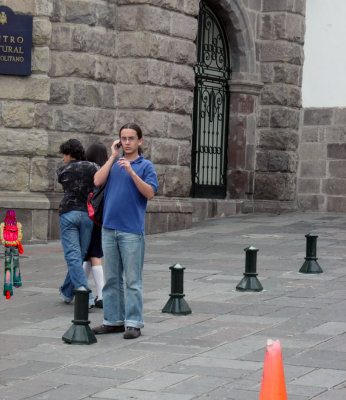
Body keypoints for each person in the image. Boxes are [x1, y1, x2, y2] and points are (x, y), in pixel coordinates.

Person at [92, 123, 158, 339]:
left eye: (131, 138)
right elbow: (97, 180)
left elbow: (149, 193)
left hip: (131, 230)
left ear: (140, 141)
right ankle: (112, 320)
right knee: (111, 278)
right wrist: (112, 157)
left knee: (132, 280)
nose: (127, 142)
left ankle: (133, 322)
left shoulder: (145, 166)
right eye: (124, 138)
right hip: (109, 228)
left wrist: (131, 172)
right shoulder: (113, 163)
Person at [57, 139, 98, 308]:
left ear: (68, 154)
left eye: (64, 155)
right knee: (79, 255)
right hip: (87, 214)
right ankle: (67, 292)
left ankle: (84, 296)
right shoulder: (93, 167)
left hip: (68, 213)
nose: (63, 158)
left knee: (73, 256)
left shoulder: (62, 170)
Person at [83, 142, 108, 308]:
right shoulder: (106, 171)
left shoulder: (87, 171)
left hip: (87, 216)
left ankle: (100, 294)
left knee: (92, 255)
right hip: (100, 218)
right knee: (92, 254)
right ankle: (80, 289)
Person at [0, 210, 23, 299]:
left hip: (7, 247)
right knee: (16, 265)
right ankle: (17, 283)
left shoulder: (3, 225)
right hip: (15, 247)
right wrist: (15, 242)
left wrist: (8, 242)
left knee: (7, 268)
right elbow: (20, 237)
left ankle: (8, 291)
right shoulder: (18, 225)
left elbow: (2, 239)